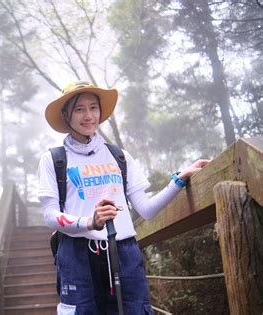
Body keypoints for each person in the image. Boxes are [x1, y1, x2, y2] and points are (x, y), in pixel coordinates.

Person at [37, 80, 210, 314]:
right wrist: (90, 221)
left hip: (124, 252)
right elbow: (49, 215)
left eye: (93, 107)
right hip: (76, 255)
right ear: (66, 115)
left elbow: (146, 210)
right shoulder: (54, 160)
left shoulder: (118, 156)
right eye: (79, 109)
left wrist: (178, 180)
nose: (88, 115)